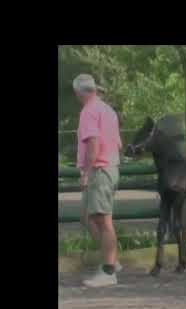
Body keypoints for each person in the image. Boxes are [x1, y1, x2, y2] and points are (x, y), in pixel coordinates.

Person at [73, 74, 122, 287]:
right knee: (87, 216)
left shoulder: (88, 111)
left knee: (103, 221)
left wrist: (86, 172)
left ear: (79, 92)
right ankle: (111, 259)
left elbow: (93, 144)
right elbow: (118, 143)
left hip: (100, 170)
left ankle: (109, 271)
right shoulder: (108, 110)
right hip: (109, 167)